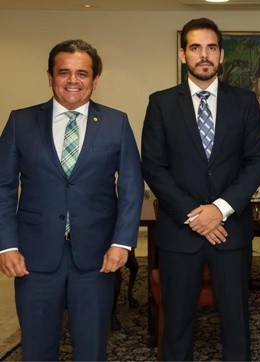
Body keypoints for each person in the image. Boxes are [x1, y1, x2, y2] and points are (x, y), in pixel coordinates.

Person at [0, 39, 143, 360]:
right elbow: (3, 186)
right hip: (33, 259)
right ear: (50, 76)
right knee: (36, 350)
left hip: (97, 259)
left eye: (82, 73)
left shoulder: (116, 123)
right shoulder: (20, 122)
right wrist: (6, 245)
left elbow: (132, 186)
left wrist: (122, 243)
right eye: (64, 72)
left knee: (91, 349)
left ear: (95, 80)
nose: (73, 80)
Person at [141, 18, 260, 360]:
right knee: (177, 325)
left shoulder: (244, 101)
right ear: (183, 55)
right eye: (195, 47)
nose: (204, 55)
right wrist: (195, 215)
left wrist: (219, 209)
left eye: (211, 47)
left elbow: (255, 162)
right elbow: (154, 166)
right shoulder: (162, 103)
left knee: (236, 322)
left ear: (222, 54)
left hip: (231, 231)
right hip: (180, 234)